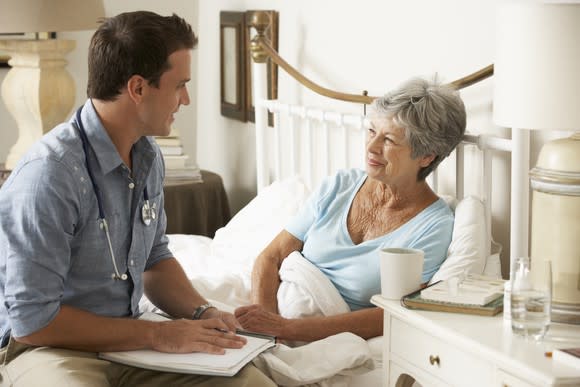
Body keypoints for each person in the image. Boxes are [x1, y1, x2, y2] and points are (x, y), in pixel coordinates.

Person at [0, 11, 275, 387]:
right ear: (138, 88)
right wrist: (158, 335)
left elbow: (154, 259)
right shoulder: (49, 174)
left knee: (252, 384)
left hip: (129, 339)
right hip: (49, 347)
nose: (186, 99)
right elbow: (33, 322)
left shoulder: (147, 155)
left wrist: (203, 312)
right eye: (179, 85)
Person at [235, 77, 466, 343]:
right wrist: (264, 330)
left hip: (316, 333)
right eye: (371, 131)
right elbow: (271, 257)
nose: (371, 147)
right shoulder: (339, 186)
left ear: (427, 156)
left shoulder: (433, 226)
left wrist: (286, 329)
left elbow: (396, 313)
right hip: (277, 316)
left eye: (388, 139)